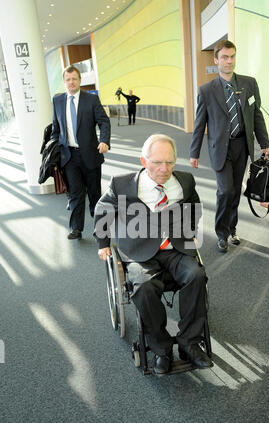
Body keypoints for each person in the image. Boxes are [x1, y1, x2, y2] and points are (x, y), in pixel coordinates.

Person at [94, 134, 213, 375]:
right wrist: (102, 243)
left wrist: (189, 230)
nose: (164, 169)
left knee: (197, 276)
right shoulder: (122, 184)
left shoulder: (185, 182)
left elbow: (194, 206)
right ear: (143, 160)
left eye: (169, 162)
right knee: (144, 287)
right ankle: (161, 348)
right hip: (139, 253)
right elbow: (102, 210)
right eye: (157, 162)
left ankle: (189, 342)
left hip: (175, 249)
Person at [189, 40, 269, 253]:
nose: (229, 61)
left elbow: (256, 115)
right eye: (225, 57)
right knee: (225, 191)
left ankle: (232, 229)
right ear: (216, 60)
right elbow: (200, 123)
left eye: (232, 56)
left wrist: (265, 143)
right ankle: (221, 233)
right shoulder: (207, 90)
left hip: (242, 146)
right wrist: (194, 152)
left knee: (235, 191)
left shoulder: (249, 84)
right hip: (220, 149)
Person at [51, 65, 111, 240]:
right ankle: (76, 228)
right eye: (68, 79)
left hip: (90, 154)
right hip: (68, 156)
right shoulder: (58, 101)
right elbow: (56, 127)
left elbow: (104, 121)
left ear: (80, 80)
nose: (71, 82)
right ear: (64, 82)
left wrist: (104, 140)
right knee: (75, 193)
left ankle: (101, 228)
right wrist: (53, 146)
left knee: (94, 193)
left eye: (74, 79)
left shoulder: (91, 99)